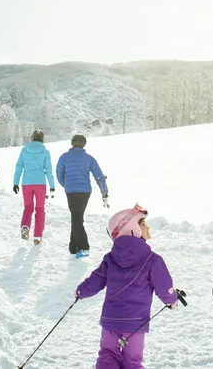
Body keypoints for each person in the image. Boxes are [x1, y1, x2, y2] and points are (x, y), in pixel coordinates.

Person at [76, 204, 184, 369]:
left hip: (110, 321)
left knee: (107, 356)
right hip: (135, 323)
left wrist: (81, 291)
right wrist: (172, 300)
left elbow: (96, 279)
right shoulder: (152, 260)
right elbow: (164, 287)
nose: (148, 227)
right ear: (133, 229)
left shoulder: (110, 258)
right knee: (132, 361)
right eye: (143, 224)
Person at [56, 134, 110, 258]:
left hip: (71, 191)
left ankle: (84, 247)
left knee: (76, 218)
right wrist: (104, 192)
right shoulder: (89, 158)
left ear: (72, 143)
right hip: (85, 192)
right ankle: (73, 247)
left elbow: (59, 174)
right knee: (77, 217)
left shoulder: (64, 157)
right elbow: (99, 176)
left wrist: (67, 185)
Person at [13, 129, 56, 245]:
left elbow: (18, 167)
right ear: (42, 139)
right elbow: (49, 171)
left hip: (26, 183)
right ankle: (37, 236)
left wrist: (15, 183)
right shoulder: (45, 152)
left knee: (28, 208)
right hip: (40, 184)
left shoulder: (24, 150)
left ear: (32, 138)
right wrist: (52, 186)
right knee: (40, 209)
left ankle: (25, 226)